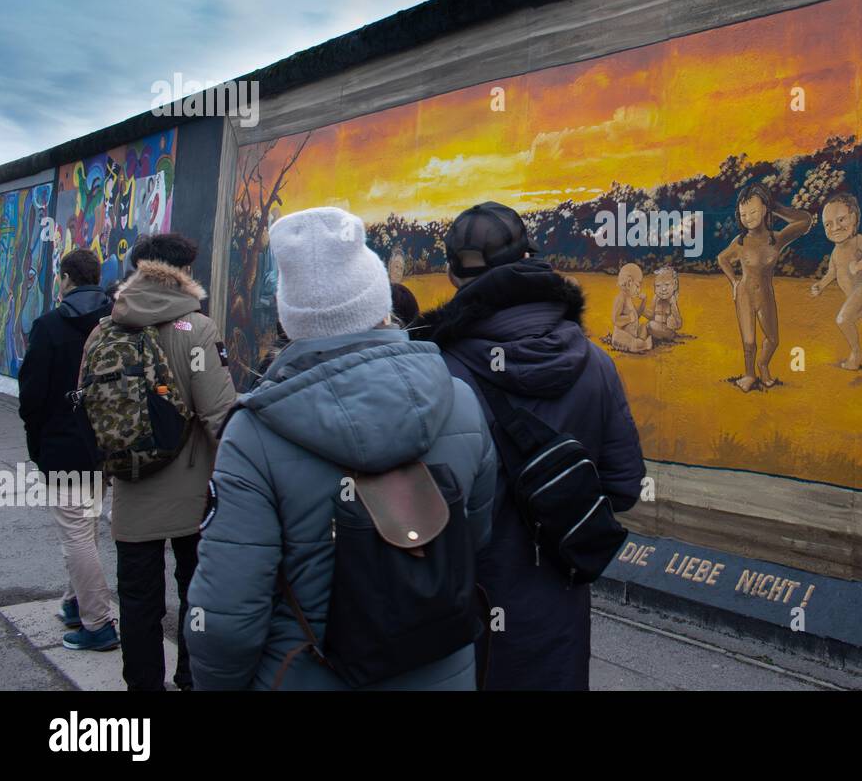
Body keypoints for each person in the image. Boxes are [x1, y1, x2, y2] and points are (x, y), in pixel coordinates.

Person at [184, 207, 496, 690]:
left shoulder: (255, 433)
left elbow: (226, 617)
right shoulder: (458, 400)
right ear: (377, 300)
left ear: (290, 316)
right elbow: (473, 535)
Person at [409, 201, 645, 690]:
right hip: (558, 609)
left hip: (464, 617)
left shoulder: (435, 371)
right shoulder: (596, 362)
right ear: (530, 258)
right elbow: (622, 487)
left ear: (453, 276)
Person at [83, 233, 237, 690]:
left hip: (132, 486)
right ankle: (190, 677)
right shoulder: (198, 329)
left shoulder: (104, 328)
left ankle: (143, 686)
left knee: (137, 599)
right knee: (196, 593)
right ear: (182, 274)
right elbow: (219, 414)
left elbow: (95, 408)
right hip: (194, 495)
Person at [17, 249, 117, 651]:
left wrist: (39, 440)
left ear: (64, 278)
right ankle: (75, 602)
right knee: (86, 526)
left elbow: (31, 398)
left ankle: (99, 623)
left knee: (77, 531)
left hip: (63, 445)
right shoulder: (115, 324)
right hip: (106, 443)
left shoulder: (49, 326)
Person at [717, 183, 812, 390]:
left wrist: (777, 207)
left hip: (765, 295)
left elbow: (805, 221)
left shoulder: (776, 239)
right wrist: (734, 282)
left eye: (752, 211)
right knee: (749, 343)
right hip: (745, 293)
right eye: (743, 214)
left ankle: (763, 364)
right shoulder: (740, 242)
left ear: (765, 209)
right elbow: (722, 258)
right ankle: (750, 375)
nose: (748, 217)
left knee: (773, 339)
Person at [810, 192, 862, 366]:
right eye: (828, 224)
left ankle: (856, 354)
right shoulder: (835, 251)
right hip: (852, 294)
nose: (835, 227)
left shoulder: (858, 241)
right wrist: (821, 285)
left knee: (843, 320)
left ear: (853, 218)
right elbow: (832, 272)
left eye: (841, 220)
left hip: (860, 290)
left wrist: (858, 266)